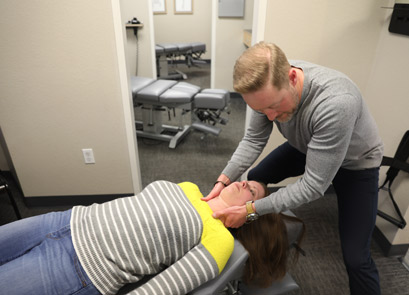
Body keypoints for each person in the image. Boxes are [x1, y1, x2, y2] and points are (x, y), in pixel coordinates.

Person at [204, 42, 384, 295]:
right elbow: (254, 140)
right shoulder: (265, 90)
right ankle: (257, 251)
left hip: (356, 164)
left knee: (356, 256)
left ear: (291, 77)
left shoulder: (336, 102)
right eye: (260, 109)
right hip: (310, 145)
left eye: (274, 107)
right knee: (256, 180)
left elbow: (313, 186)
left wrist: (251, 210)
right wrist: (222, 181)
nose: (269, 116)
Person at [0, 179, 301, 295]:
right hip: (64, 220)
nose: (246, 182)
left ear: (250, 212)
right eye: (249, 180)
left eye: (253, 192)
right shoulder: (190, 187)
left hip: (78, 269)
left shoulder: (218, 240)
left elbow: (162, 289)